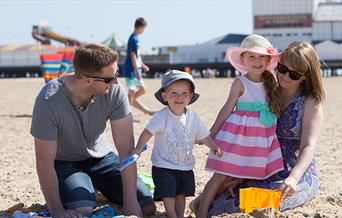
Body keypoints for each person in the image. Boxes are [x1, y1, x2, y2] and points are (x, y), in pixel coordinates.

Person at [194, 41, 324, 217]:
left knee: (261, 200)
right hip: (261, 162)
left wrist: (293, 178)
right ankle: (203, 202)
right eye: (282, 69)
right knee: (226, 199)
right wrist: (241, 172)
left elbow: (308, 147)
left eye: (293, 74)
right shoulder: (269, 89)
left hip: (294, 170)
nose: (285, 77)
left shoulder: (310, 102)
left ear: (305, 76)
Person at [30, 43, 156, 218]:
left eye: (116, 73)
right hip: (66, 162)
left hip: (102, 158)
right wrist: (57, 210)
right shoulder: (49, 100)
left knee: (146, 206)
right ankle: (89, 190)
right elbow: (44, 162)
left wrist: (130, 201)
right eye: (109, 78)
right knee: (83, 209)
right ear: (88, 80)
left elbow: (126, 149)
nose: (116, 82)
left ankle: (98, 188)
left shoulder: (114, 92)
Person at [197, 34, 284, 217]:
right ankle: (202, 211)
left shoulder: (272, 81)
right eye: (251, 56)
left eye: (261, 57)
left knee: (249, 174)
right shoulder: (240, 82)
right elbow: (227, 109)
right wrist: (211, 132)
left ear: (268, 59)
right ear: (242, 59)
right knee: (221, 174)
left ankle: (217, 204)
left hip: (260, 138)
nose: (257, 61)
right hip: (237, 136)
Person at [131, 70, 223, 218]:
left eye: (184, 93)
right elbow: (147, 132)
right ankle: (172, 215)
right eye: (174, 93)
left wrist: (212, 146)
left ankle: (179, 215)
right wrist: (138, 148)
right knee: (168, 193)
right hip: (164, 165)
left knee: (182, 193)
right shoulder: (161, 116)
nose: (179, 97)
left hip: (185, 165)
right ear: (164, 96)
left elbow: (204, 135)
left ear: (191, 96)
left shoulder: (193, 117)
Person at [123, 17, 154, 116]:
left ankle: (127, 104)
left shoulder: (136, 38)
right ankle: (127, 111)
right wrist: (137, 71)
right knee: (131, 91)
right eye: (143, 28)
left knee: (142, 90)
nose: (143, 31)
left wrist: (143, 65)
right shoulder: (133, 38)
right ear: (140, 27)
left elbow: (137, 57)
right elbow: (132, 56)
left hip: (136, 69)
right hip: (131, 70)